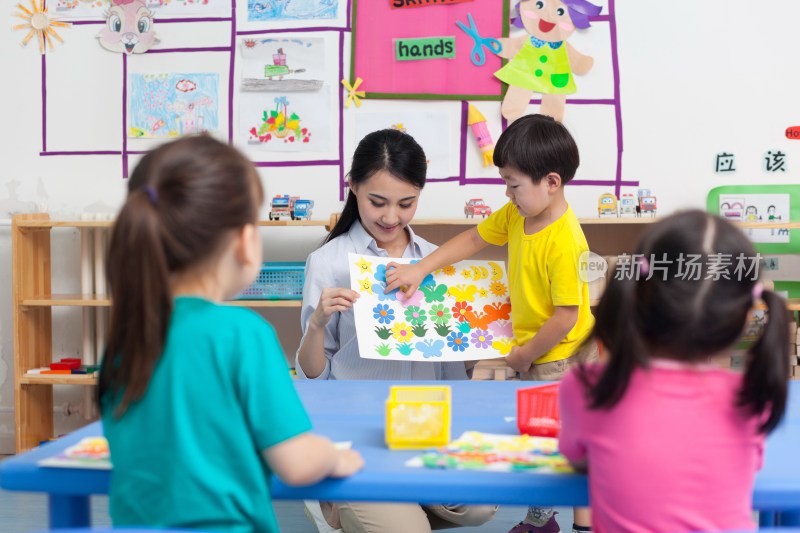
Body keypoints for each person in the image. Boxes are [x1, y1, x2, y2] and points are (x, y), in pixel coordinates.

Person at [98, 135, 363, 533]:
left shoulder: (127, 336)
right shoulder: (243, 334)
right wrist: (333, 457)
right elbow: (295, 463)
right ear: (244, 242)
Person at [384, 114, 595, 533]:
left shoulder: (565, 241)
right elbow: (476, 238)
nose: (507, 193)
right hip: (539, 350)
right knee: (539, 440)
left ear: (551, 182)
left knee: (567, 445)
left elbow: (565, 317)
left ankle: (582, 525)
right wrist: (421, 268)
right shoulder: (519, 214)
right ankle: (542, 515)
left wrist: (522, 356)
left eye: (513, 184)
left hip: (562, 355)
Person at [296, 128, 497, 533]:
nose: (391, 217)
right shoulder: (329, 261)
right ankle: (338, 504)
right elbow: (313, 376)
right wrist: (317, 323)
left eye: (406, 203)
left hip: (424, 427)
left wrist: (482, 340)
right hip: (359, 433)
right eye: (377, 202)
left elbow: (451, 370)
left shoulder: (431, 260)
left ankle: (388, 510)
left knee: (482, 506)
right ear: (352, 187)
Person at [559, 210, 790, 533]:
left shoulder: (587, 386)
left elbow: (577, 458)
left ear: (638, 295)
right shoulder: (752, 396)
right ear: (743, 317)